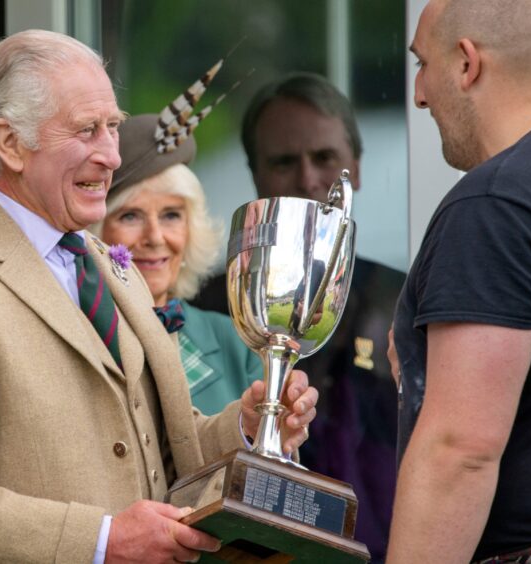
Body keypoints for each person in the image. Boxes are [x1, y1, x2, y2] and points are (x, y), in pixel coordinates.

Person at [0, 29, 318, 564]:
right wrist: (103, 540)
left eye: (111, 127)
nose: (111, 155)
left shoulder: (107, 264)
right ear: (9, 143)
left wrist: (246, 428)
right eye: (86, 131)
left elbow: (162, 453)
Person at [192, 73, 406, 561]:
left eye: (326, 158)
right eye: (285, 161)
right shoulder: (213, 304)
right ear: (256, 175)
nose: (308, 179)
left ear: (357, 166)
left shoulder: (402, 302)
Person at [388, 1, 531, 562]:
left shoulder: (500, 203)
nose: (418, 94)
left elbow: (460, 451)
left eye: (422, 64)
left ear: (466, 63)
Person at [91, 113, 262, 416]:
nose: (155, 237)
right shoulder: (79, 338)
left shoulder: (237, 344)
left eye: (171, 215)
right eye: (130, 216)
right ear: (97, 231)